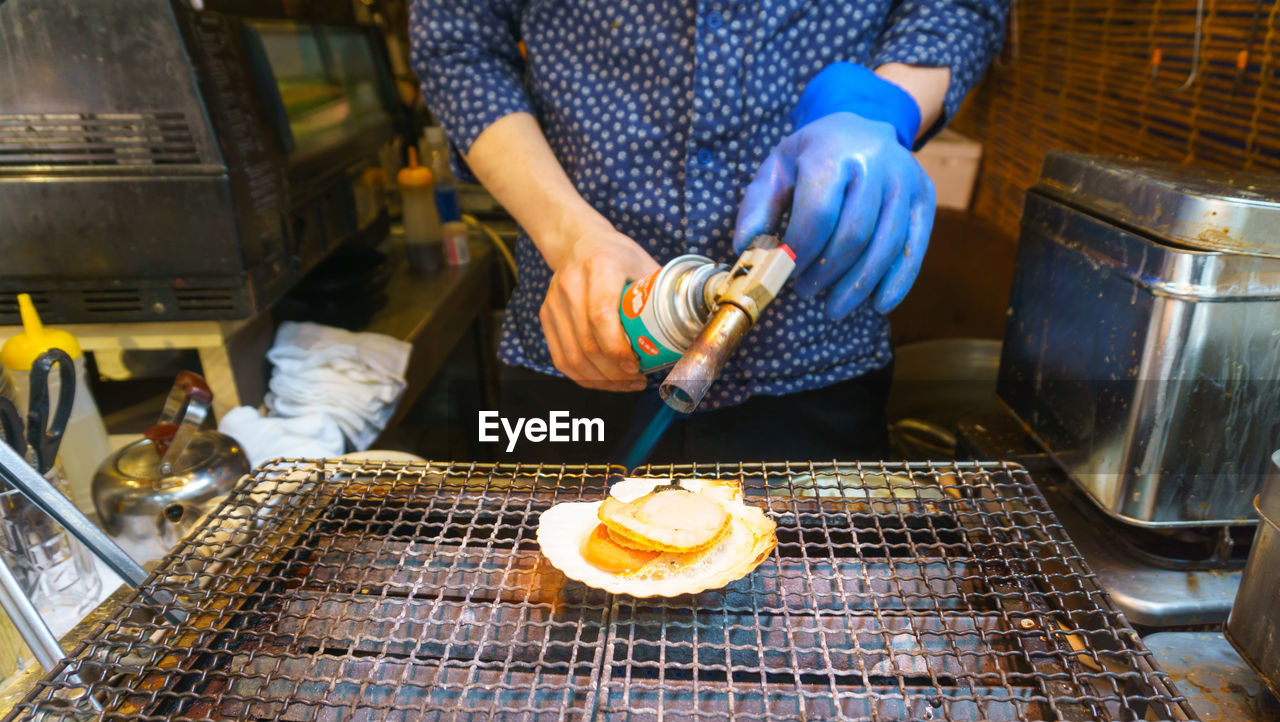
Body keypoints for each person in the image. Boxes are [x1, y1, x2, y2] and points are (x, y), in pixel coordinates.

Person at [410, 1, 1007, 464]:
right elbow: (458, 43)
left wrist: (881, 106)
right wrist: (570, 236)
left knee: (815, 607)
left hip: (813, 354)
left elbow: (953, 9)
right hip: (579, 347)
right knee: (562, 599)